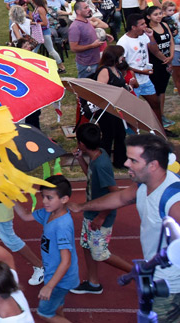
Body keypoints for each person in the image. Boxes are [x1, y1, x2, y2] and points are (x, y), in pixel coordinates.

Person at [67, 134, 180, 322]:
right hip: (157, 277)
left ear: (153, 165)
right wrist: (81, 207)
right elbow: (119, 198)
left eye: (133, 160)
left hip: (170, 285)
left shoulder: (173, 202)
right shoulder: (143, 185)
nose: (126, 163)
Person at [68, 124, 132, 296]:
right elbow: (90, 175)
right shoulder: (98, 155)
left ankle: (139, 272)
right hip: (91, 213)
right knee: (86, 246)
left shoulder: (102, 165)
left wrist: (102, 217)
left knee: (100, 253)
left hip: (99, 216)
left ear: (81, 143)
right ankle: (93, 283)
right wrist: (81, 159)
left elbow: (115, 194)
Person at [13, 176, 79, 323]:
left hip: (59, 279)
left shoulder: (62, 226)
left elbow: (66, 261)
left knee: (44, 313)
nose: (44, 201)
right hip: (54, 274)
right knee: (57, 307)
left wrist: (49, 286)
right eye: (43, 197)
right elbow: (25, 216)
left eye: (49, 198)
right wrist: (11, 199)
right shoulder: (49, 213)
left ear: (64, 199)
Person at [118, 14, 164, 130]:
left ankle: (159, 129)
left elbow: (154, 50)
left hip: (146, 81)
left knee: (155, 104)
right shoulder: (123, 42)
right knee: (131, 110)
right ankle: (133, 132)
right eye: (142, 24)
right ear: (134, 27)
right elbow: (122, 65)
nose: (145, 26)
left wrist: (151, 37)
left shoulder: (143, 36)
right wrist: (141, 72)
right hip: (133, 82)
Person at [92, 46, 134, 168]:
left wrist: (126, 88)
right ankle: (102, 162)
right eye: (121, 55)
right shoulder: (105, 71)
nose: (123, 58)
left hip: (117, 108)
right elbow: (101, 90)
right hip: (107, 110)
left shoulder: (116, 69)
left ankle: (120, 161)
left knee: (120, 135)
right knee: (108, 136)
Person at [145, 5, 175, 131]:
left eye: (160, 13)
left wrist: (171, 56)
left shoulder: (165, 25)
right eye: (155, 14)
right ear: (148, 17)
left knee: (162, 89)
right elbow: (154, 49)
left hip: (167, 61)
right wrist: (165, 59)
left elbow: (171, 41)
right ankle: (156, 115)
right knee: (156, 90)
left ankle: (161, 114)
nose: (159, 16)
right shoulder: (148, 30)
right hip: (156, 63)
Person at [69, 1, 105, 78]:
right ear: (78, 11)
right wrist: (92, 46)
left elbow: (88, 34)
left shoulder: (87, 21)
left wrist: (105, 35)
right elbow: (73, 48)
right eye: (86, 8)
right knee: (85, 88)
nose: (89, 9)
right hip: (86, 65)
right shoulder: (75, 27)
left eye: (88, 7)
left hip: (95, 61)